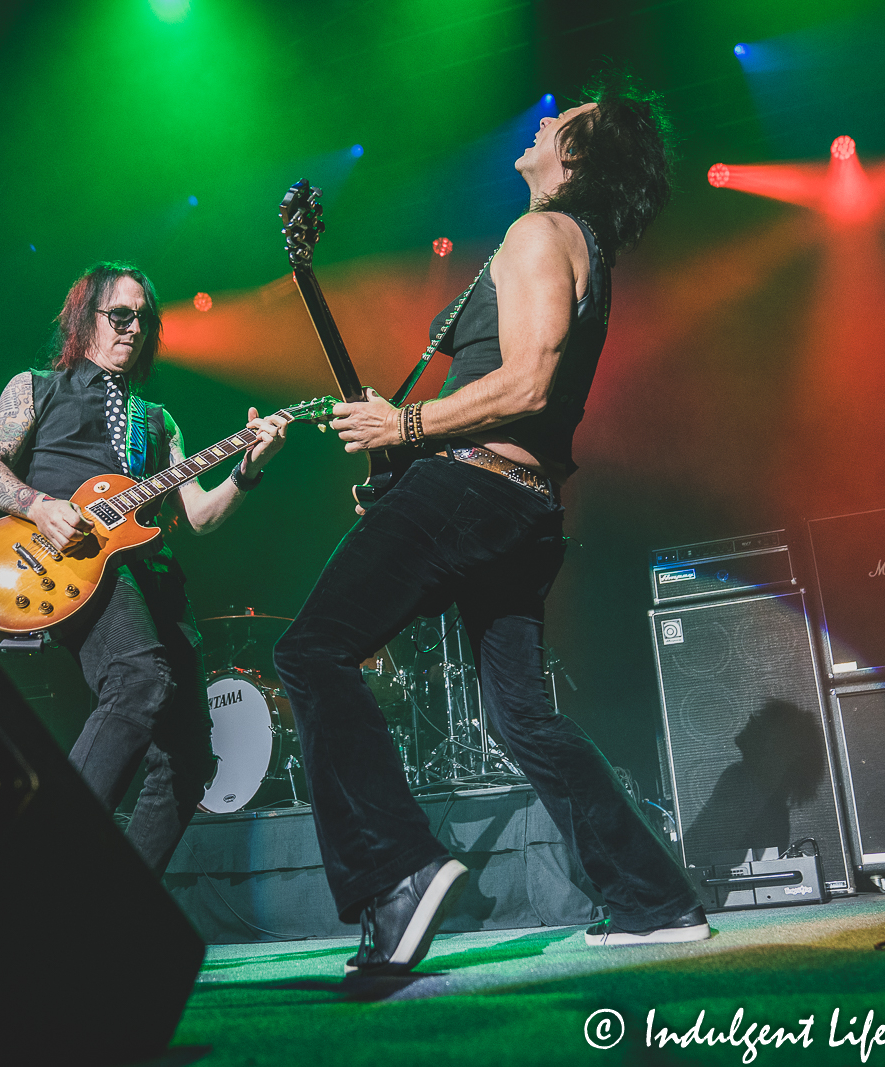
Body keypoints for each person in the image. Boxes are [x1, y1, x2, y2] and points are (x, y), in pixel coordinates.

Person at [272, 74, 707, 975]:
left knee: (310, 651)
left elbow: (530, 382)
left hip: (477, 493)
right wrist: (401, 455)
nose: (544, 120)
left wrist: (407, 426)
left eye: (564, 122)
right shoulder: (576, 242)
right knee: (522, 720)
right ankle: (651, 898)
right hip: (517, 507)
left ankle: (398, 871)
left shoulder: (539, 231)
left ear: (578, 154)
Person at [0, 262, 289, 877]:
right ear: (85, 317)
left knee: (192, 757)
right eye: (121, 315)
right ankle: (45, 855)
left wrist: (247, 469)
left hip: (156, 580)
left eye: (145, 318)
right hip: (73, 566)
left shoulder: (159, 421)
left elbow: (199, 518)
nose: (134, 328)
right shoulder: (35, 388)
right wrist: (40, 506)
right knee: (140, 682)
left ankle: (115, 908)